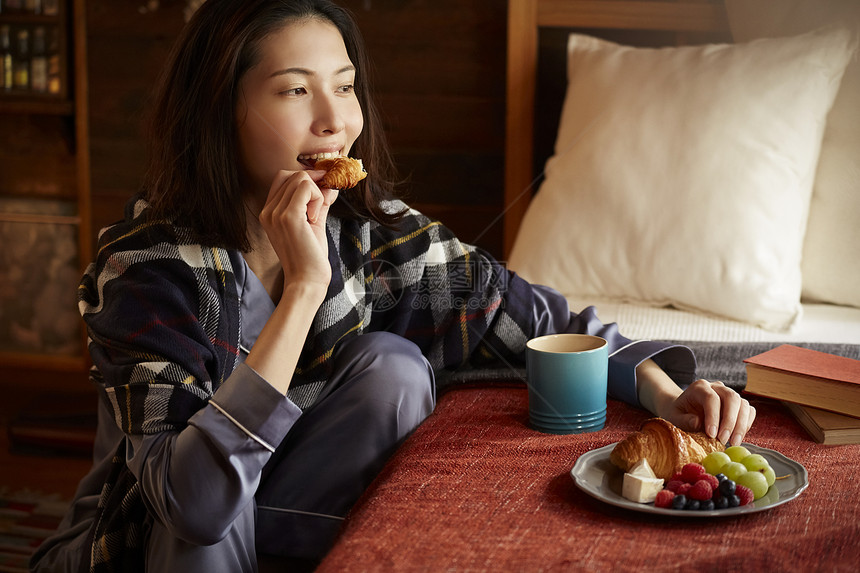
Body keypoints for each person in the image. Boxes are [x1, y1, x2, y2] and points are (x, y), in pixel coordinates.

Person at [30, 1, 755, 571]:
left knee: (394, 366)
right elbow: (197, 503)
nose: (335, 120)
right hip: (159, 539)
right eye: (295, 90)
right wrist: (304, 290)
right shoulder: (147, 269)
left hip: (275, 519)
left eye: (345, 87)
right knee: (205, 507)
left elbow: (531, 314)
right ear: (221, 106)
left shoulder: (369, 233)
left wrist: (664, 393)